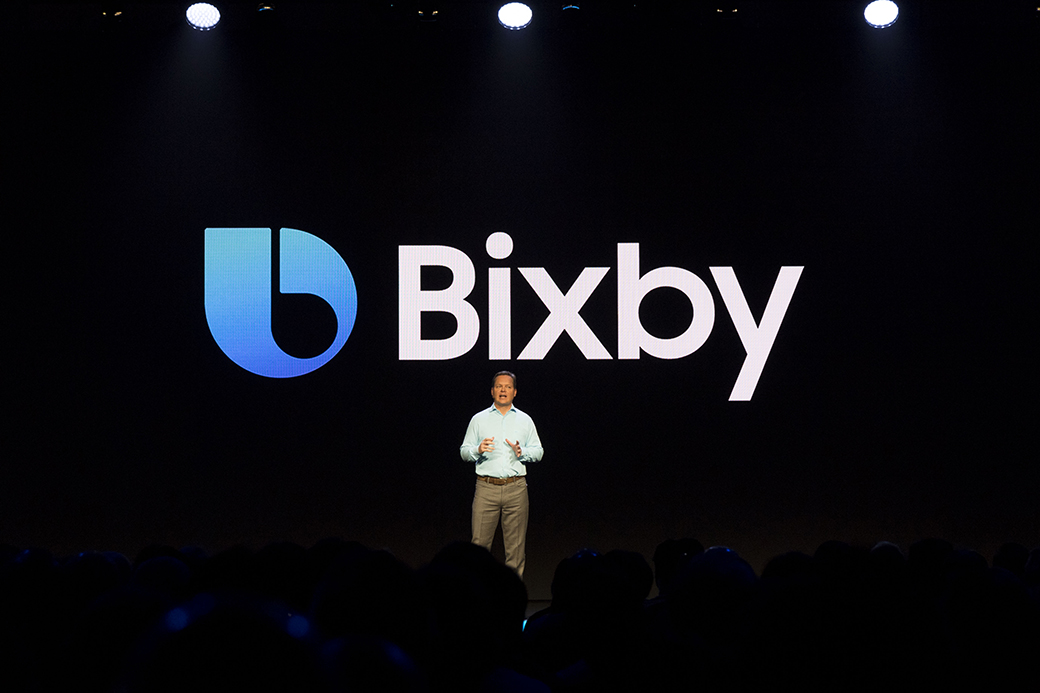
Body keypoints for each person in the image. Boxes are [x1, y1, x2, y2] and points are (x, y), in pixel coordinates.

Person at [460, 371, 543, 579]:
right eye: (499, 386)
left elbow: (539, 452)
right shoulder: (479, 419)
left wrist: (522, 452)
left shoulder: (525, 420)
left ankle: (512, 596)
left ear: (514, 392)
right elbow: (464, 451)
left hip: (516, 489)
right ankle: (477, 594)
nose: (503, 390)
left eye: (507, 387)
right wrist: (478, 449)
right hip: (486, 488)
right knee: (479, 548)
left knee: (515, 550)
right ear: (492, 391)